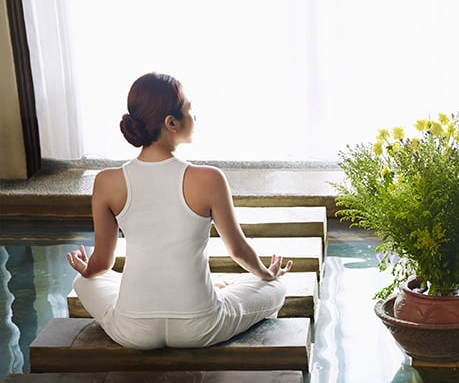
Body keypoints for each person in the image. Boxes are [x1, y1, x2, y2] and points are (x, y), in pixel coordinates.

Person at [66, 72, 292, 350]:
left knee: (83, 281)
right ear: (170, 122)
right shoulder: (209, 178)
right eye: (189, 109)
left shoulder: (106, 182)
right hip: (201, 327)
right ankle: (219, 288)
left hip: (133, 331)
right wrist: (265, 273)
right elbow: (238, 251)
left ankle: (210, 289)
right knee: (276, 287)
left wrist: (86, 269)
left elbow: (102, 264)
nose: (194, 117)